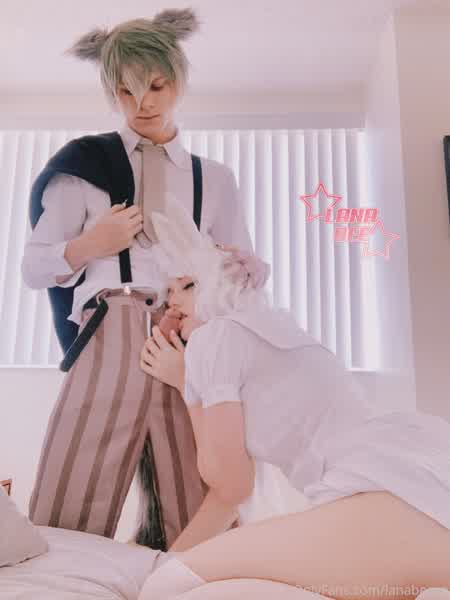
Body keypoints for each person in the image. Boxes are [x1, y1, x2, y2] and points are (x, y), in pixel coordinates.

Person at [21, 7, 269, 550]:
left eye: (156, 86)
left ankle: (204, 577)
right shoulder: (81, 167)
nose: (143, 104)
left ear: (177, 77)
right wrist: (92, 244)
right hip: (115, 319)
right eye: (126, 91)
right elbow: (34, 268)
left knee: (198, 477)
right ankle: (61, 582)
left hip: (191, 334)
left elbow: (244, 269)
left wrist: (245, 268)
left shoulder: (215, 179)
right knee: (80, 475)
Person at [137, 195, 450, 599]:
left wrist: (186, 384)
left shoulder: (214, 337)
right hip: (420, 466)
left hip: (385, 490)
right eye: (168, 290)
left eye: (188, 285)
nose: (174, 300)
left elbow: (231, 486)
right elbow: (230, 497)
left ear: (218, 283)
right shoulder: (281, 333)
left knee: (163, 585)